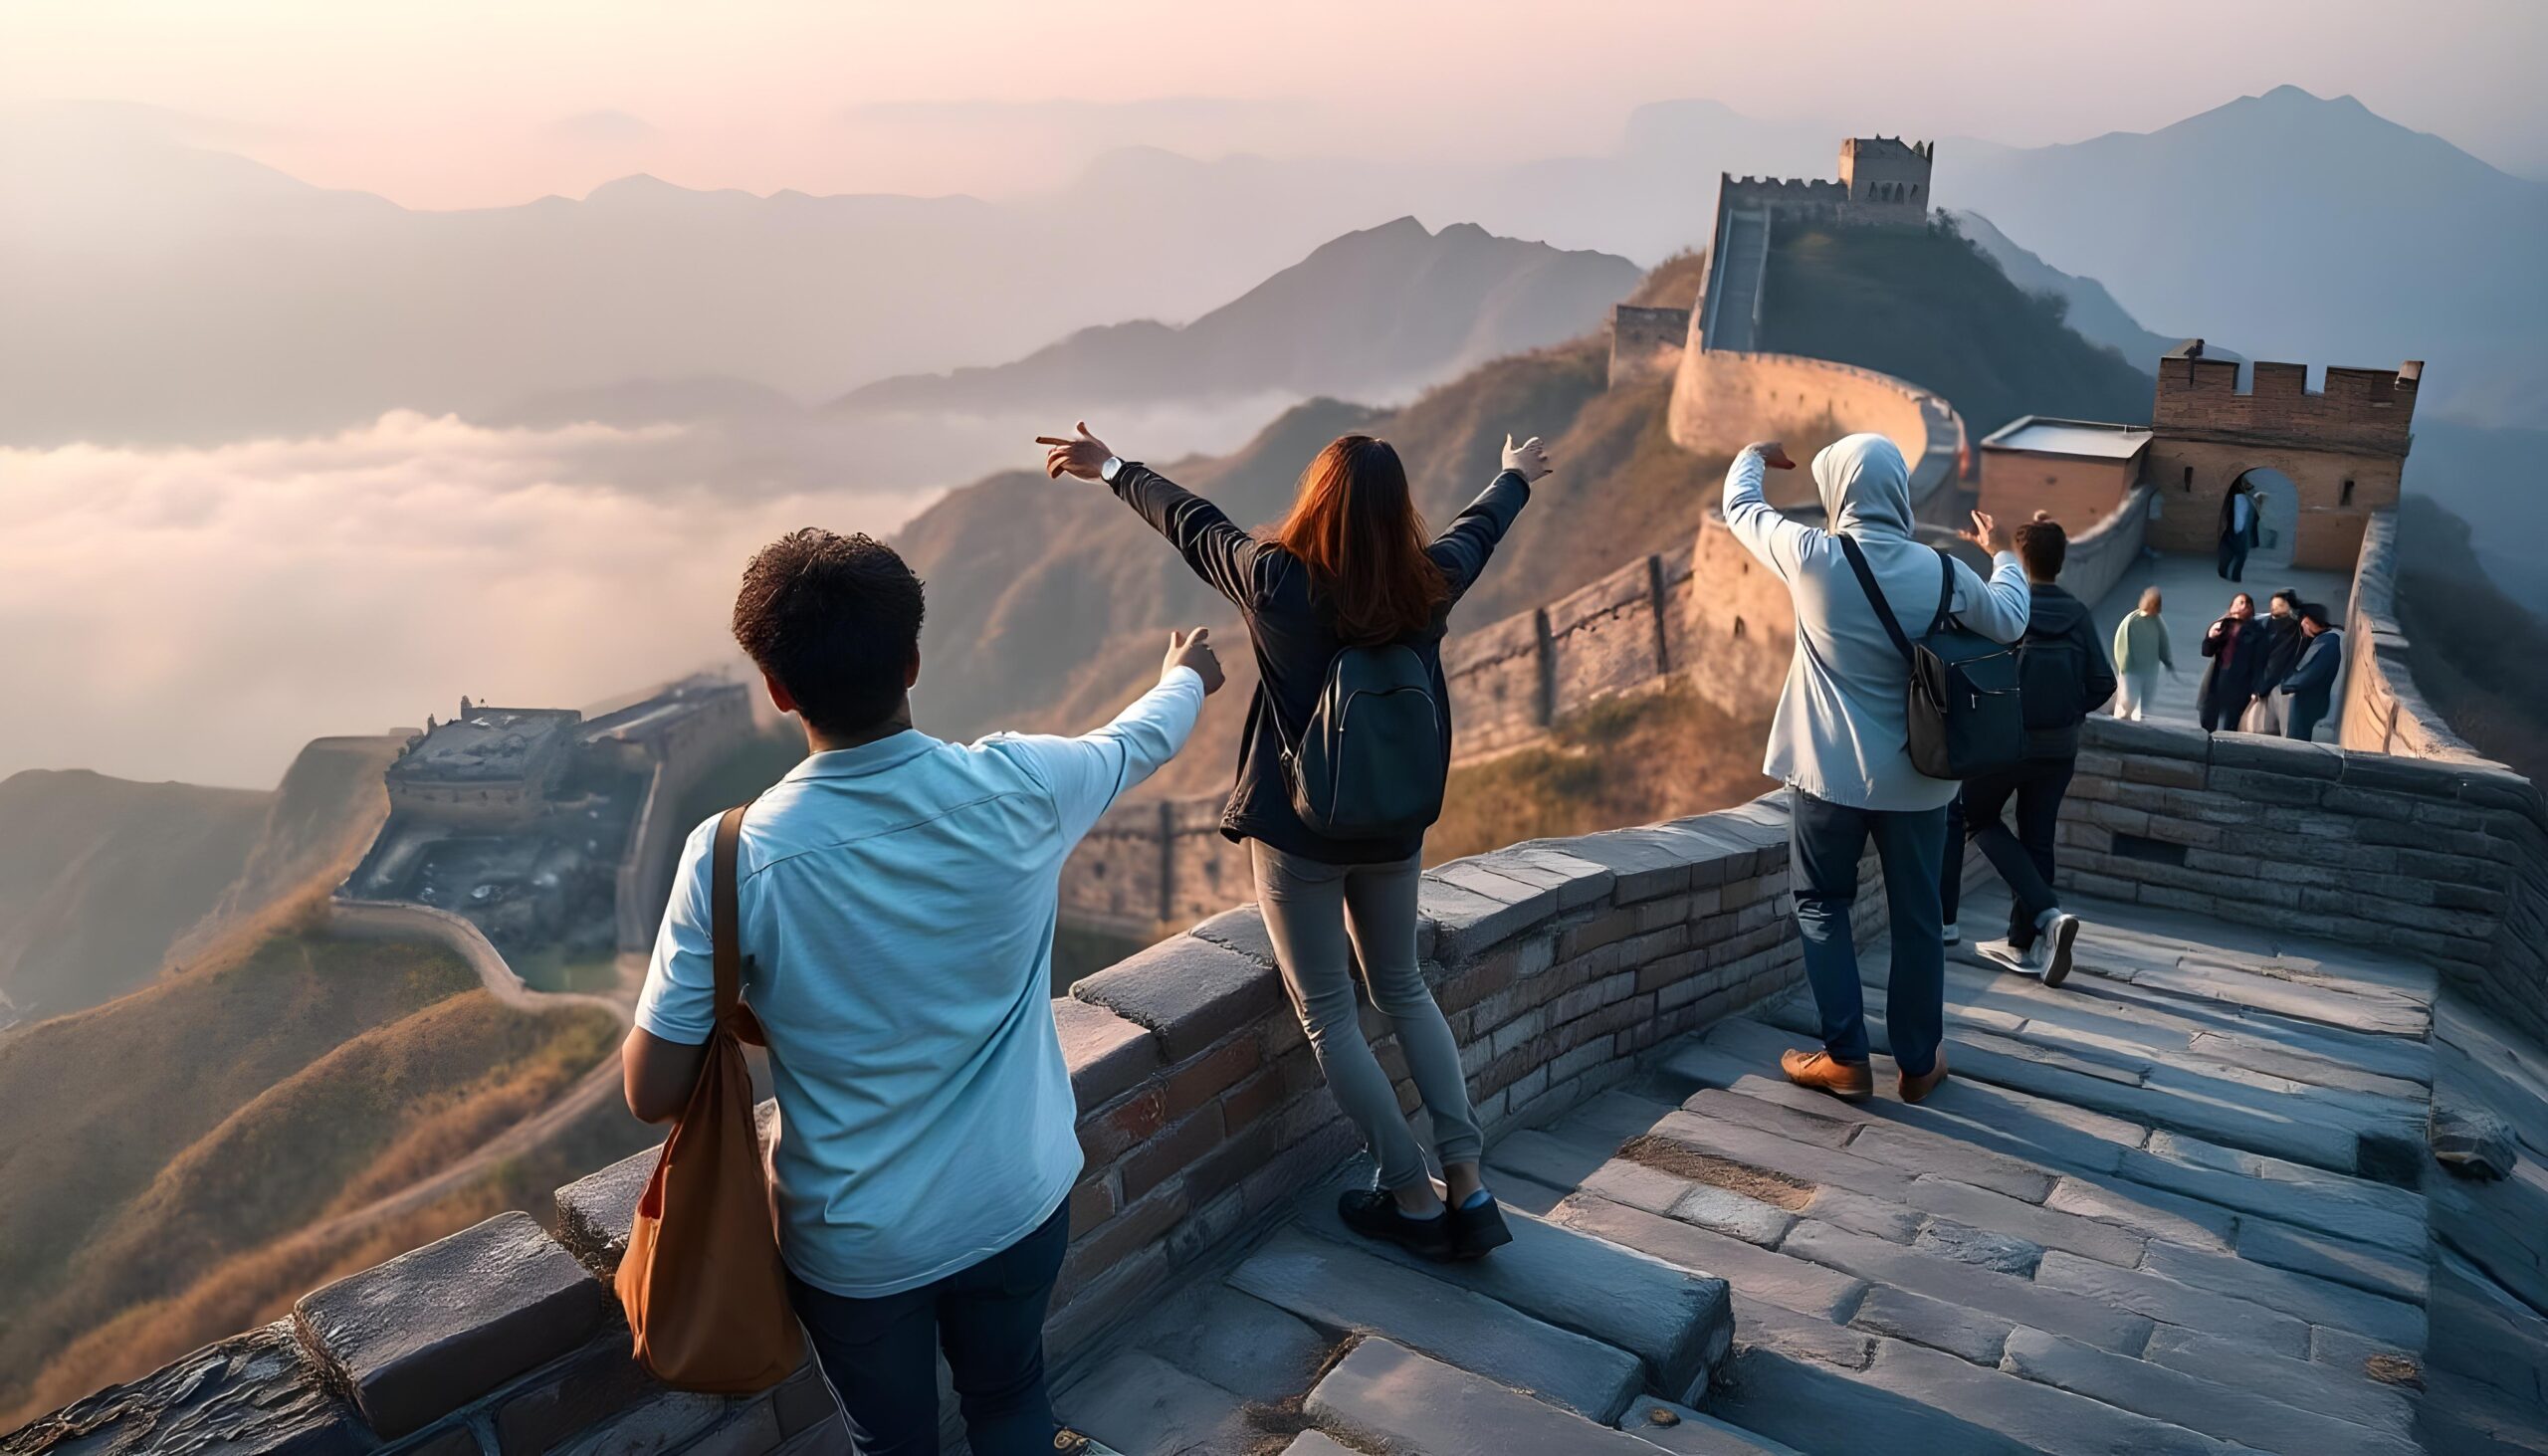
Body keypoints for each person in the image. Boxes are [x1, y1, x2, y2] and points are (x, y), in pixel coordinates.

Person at [620, 529, 1225, 1456]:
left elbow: (651, 1090)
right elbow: (1138, 738)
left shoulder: (732, 856)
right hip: (1018, 1195)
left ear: (778, 690)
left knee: (889, 1439)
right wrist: (1184, 672)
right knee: (1013, 1395)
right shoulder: (1024, 783)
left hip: (859, 1244)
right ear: (912, 661)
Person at [1039, 420, 1547, 1260]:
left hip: (1299, 835)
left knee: (1329, 1016)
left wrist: (1114, 468)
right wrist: (1514, 476)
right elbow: (1479, 529)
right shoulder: (1430, 583)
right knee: (1404, 988)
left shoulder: (1278, 583)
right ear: (1398, 514)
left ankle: (1410, 1194)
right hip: (1395, 830)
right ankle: (1468, 1180)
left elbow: (1193, 524)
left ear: (1315, 501)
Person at [1723, 435, 2028, 1105]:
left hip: (1829, 776)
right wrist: (2003, 551)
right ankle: (1918, 1063)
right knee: (1918, 917)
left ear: (1837, 491)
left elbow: (1740, 506)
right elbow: (2010, 618)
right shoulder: (1944, 573)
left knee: (1822, 904)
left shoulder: (1812, 556)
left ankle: (1846, 1058)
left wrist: (1752, 454)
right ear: (1898, 491)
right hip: (1920, 783)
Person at [1941, 514, 2114, 986]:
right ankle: (2025, 943)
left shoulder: (2009, 606)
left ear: (2022, 560)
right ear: (2061, 561)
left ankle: (2030, 917)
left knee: (1975, 816)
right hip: (2059, 749)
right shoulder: (2077, 613)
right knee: (2038, 837)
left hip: (2005, 744)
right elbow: (2104, 682)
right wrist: (2066, 712)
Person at [2196, 591, 2262, 732]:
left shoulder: (2256, 631)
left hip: (2240, 683)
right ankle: (2205, 750)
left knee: (2231, 725)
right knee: (2207, 720)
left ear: (2251, 610)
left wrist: (2256, 688)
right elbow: (2206, 652)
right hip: (2216, 679)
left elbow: (2259, 661)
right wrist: (2211, 637)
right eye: (2239, 602)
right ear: (2231, 607)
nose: (2243, 606)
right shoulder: (2222, 625)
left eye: (2247, 604)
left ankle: (2223, 751)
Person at [2279, 602, 2344, 740]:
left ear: (2307, 620)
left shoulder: (2328, 642)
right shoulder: (2330, 638)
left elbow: (2308, 674)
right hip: (2314, 701)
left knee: (2298, 746)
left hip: (2310, 704)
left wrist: (2285, 684)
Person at [2247, 588, 2305, 734]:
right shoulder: (2265, 624)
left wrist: (2259, 689)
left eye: (2280, 608)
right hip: (2261, 684)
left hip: (2274, 688)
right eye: (2274, 608)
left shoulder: (2292, 629)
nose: (2275, 611)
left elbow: (2275, 665)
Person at [2110, 587, 2173, 722]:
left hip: (2149, 669)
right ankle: (2122, 719)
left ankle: (2132, 721)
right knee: (2128, 699)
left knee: (2143, 699)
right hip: (2131, 668)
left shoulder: (2157, 621)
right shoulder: (2132, 620)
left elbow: (2163, 640)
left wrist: (2167, 660)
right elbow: (2121, 643)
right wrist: (2124, 664)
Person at [2217, 478, 2261, 582]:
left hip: (2239, 534)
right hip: (2239, 534)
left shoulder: (2244, 500)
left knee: (2236, 557)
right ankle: (2231, 578)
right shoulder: (2241, 499)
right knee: (2235, 556)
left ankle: (2231, 577)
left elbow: (2250, 519)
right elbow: (2241, 520)